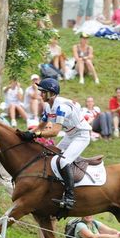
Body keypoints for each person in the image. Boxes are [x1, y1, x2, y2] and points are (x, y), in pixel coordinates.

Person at [19, 78, 91, 209]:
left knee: (63, 162)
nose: (40, 94)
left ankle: (70, 197)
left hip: (81, 135)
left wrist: (35, 134)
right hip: (70, 134)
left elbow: (55, 132)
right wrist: (28, 133)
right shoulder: (48, 106)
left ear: (51, 93)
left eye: (43, 92)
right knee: (51, 157)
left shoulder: (62, 107)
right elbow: (42, 125)